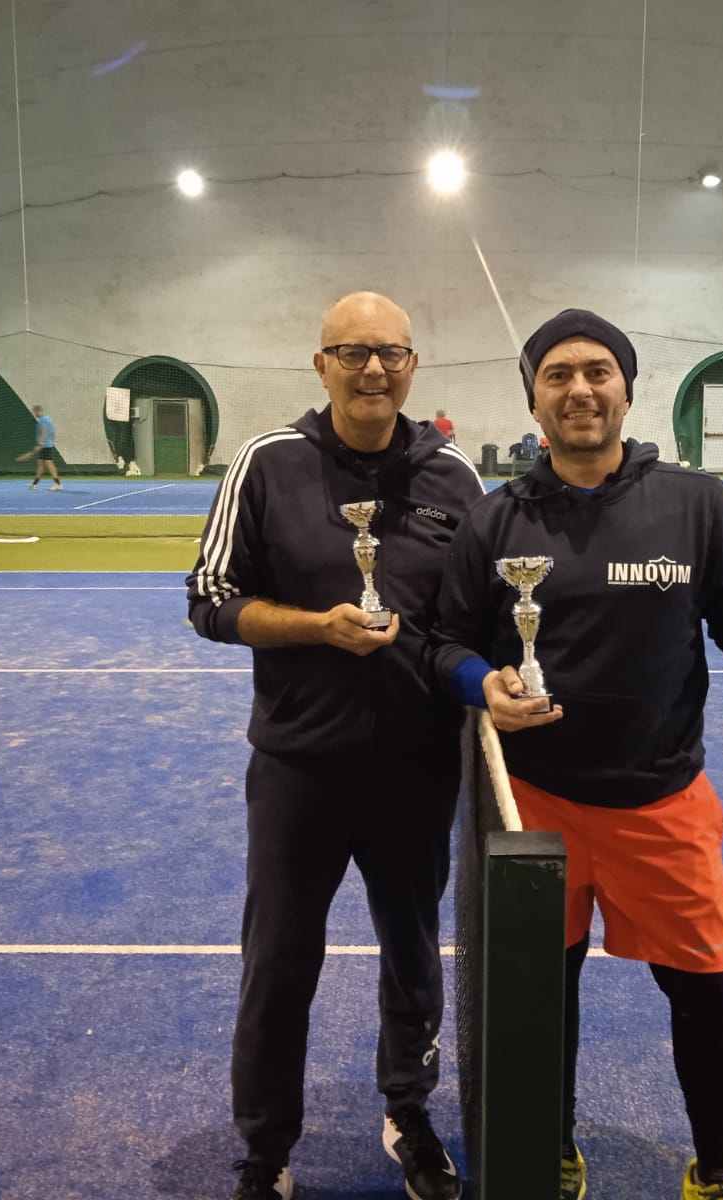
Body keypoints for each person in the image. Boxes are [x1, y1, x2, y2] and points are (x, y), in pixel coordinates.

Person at [431, 309, 723, 1200]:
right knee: (543, 999)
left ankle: (717, 1169)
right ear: (534, 397)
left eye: (598, 371)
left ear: (628, 388)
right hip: (537, 805)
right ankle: (551, 1148)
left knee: (704, 996)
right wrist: (482, 683)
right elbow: (441, 642)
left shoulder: (696, 502)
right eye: (558, 375)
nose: (580, 389)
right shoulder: (494, 520)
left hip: (661, 802)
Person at [187, 291, 485, 1200]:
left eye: (390, 352)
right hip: (298, 768)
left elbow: (473, 623)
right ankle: (267, 1149)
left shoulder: (455, 479)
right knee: (279, 960)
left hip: (417, 768)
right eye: (352, 352)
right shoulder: (268, 462)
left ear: (412, 366)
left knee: (413, 950)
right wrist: (315, 627)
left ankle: (410, 1112)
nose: (372, 369)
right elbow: (208, 597)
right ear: (321, 365)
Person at [19, 405, 62, 490]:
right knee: (40, 465)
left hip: (44, 446)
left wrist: (40, 444)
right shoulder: (49, 419)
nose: (34, 414)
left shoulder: (42, 421)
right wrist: (51, 442)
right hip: (47, 445)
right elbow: (53, 432)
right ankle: (34, 484)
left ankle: (58, 484)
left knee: (49, 464)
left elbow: (44, 432)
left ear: (38, 411)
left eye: (35, 412)